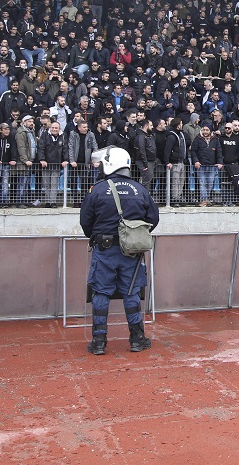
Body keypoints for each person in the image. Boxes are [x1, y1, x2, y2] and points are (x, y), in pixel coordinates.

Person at [79, 147, 159, 355]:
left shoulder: (97, 189)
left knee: (101, 293)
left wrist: (97, 236)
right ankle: (137, 339)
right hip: (131, 251)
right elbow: (153, 219)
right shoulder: (139, 189)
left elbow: (85, 221)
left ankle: (99, 341)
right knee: (131, 292)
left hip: (104, 249)